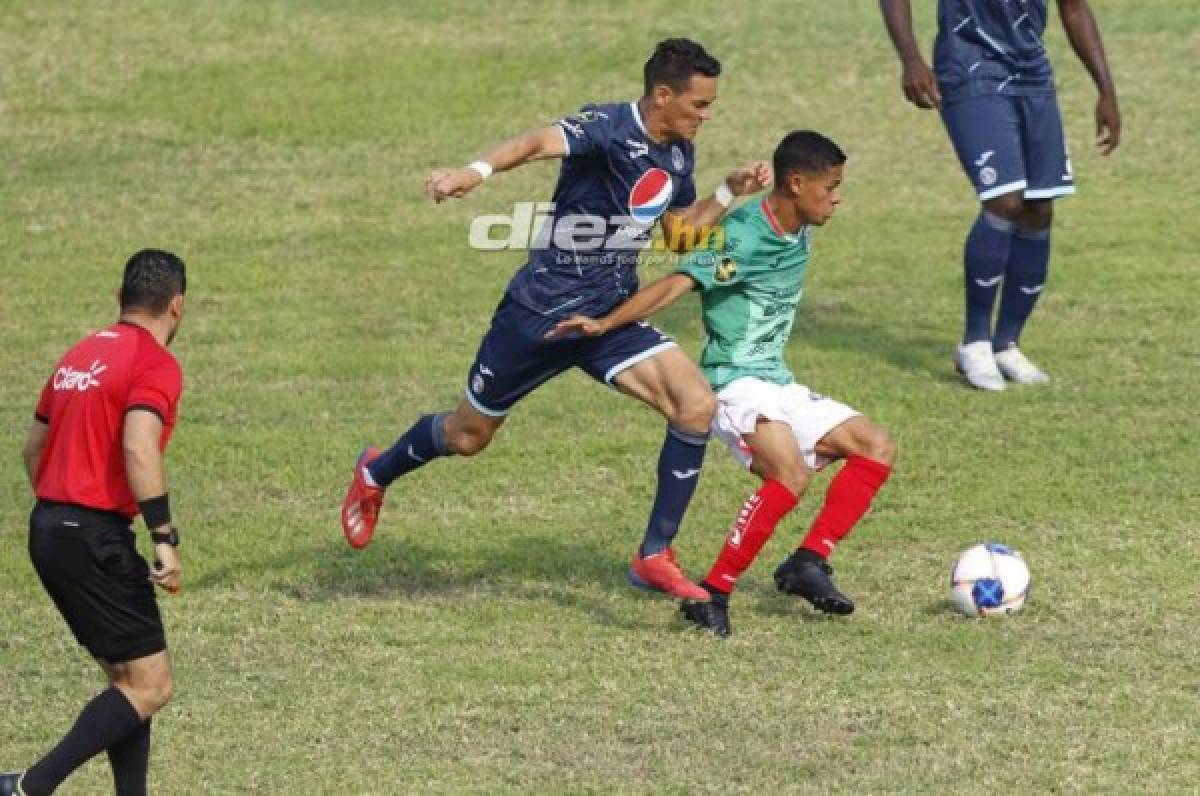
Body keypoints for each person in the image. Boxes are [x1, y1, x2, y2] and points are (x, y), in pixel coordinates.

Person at [340, 38, 771, 601]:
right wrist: (475, 171)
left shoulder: (678, 153)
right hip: (541, 314)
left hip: (610, 315)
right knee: (467, 437)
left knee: (695, 406)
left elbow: (677, 234)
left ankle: (653, 555)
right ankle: (375, 473)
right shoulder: (610, 127)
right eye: (699, 105)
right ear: (662, 95)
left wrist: (727, 193)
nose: (707, 116)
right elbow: (537, 142)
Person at [548, 131, 897, 636]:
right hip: (734, 384)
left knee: (875, 446)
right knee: (789, 474)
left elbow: (692, 234)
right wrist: (605, 324)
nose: (838, 197)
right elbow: (678, 281)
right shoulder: (744, 238)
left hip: (778, 381)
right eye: (832, 186)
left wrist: (729, 191)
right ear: (797, 183)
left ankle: (808, 562)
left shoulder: (797, 223)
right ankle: (714, 594)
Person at [2, 251, 187, 796]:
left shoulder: (78, 355)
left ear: (119, 299)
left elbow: (33, 450)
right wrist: (163, 536)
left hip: (49, 529)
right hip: (93, 536)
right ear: (176, 305)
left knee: (129, 683)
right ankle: (31, 785)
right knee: (152, 686)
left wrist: (62, 514)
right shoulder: (153, 363)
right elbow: (138, 445)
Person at [880, 0, 1120, 390]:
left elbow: (1074, 9)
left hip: (1031, 70)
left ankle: (1007, 344)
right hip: (969, 66)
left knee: (1039, 207)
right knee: (1004, 200)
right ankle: (974, 342)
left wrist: (1105, 89)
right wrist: (910, 58)